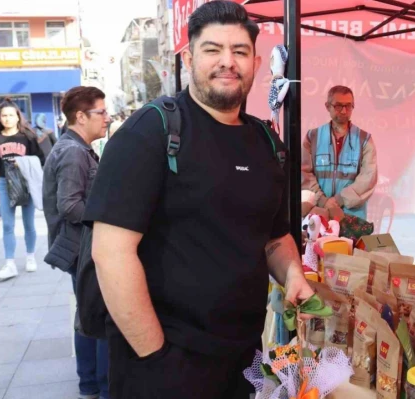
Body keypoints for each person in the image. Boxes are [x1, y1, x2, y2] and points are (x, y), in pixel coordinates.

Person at [81, 2, 313, 398]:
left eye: (239, 51)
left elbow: (273, 237)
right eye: (213, 50)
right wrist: (155, 358)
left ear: (256, 62)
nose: (228, 62)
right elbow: (112, 253)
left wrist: (292, 273)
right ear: (188, 57)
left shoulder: (266, 143)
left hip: (243, 357)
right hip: (164, 361)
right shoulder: (150, 132)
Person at [42, 86, 110, 399]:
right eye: (101, 112)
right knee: (99, 318)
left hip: (79, 246)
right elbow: (69, 205)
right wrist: (110, 224)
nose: (107, 118)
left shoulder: (75, 147)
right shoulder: (73, 152)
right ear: (80, 117)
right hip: (82, 248)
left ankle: (90, 385)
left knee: (87, 315)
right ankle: (100, 386)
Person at [302, 86, 378, 220]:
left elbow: (368, 178)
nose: (344, 111)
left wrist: (340, 199)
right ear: (327, 106)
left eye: (348, 106)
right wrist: (323, 200)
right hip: (318, 215)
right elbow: (303, 174)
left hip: (352, 218)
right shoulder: (312, 137)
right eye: (338, 106)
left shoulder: (364, 140)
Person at [0, 100, 44, 281]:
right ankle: (10, 262)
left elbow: (40, 159)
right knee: (7, 224)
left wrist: (22, 163)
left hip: (25, 182)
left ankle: (30, 256)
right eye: (3, 115)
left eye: (11, 115)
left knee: (29, 223)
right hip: (5, 184)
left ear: (17, 117)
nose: (7, 119)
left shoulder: (27, 136)